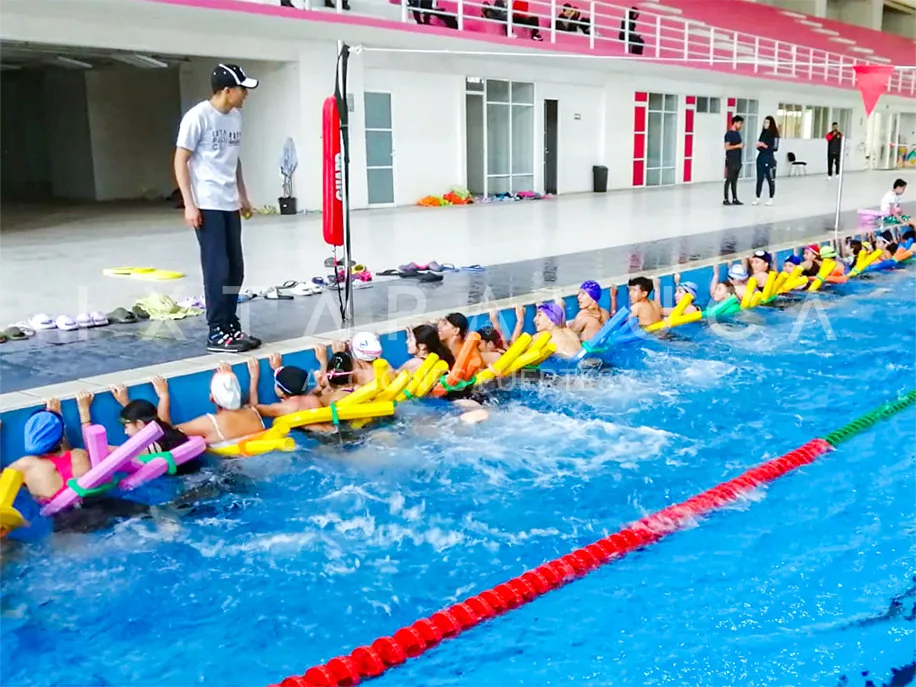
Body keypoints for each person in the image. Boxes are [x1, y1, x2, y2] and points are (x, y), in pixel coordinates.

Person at [174, 63, 261, 354]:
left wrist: (243, 195)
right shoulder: (198, 117)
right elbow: (180, 160)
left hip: (229, 203)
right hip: (207, 204)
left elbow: (233, 160)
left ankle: (230, 324)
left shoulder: (235, 118)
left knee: (235, 268)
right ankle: (217, 331)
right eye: (242, 89)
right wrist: (189, 204)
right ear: (227, 90)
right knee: (218, 269)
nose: (246, 95)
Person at [7, 400, 91, 503]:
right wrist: (83, 411)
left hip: (60, 517)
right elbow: (65, 459)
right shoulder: (80, 455)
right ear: (62, 437)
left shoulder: (25, 465)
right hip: (94, 508)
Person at [75, 379, 189, 455]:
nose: (125, 432)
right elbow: (163, 417)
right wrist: (126, 403)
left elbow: (95, 450)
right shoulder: (167, 431)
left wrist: (84, 411)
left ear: (140, 424)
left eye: (126, 426)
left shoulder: (144, 450)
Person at [178, 364, 265, 446]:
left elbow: (168, 432)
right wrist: (254, 379)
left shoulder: (209, 423)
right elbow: (252, 405)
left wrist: (164, 396)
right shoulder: (254, 413)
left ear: (212, 398)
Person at [247, 354, 322, 419]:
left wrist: (254, 378)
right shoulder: (314, 399)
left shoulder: (283, 408)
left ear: (280, 392)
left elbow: (252, 411)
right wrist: (278, 368)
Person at [513, 303, 582, 358]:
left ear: (551, 320)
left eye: (539, 315)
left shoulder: (546, 335)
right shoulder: (569, 331)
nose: (534, 319)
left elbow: (515, 350)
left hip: (569, 370)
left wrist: (520, 321)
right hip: (583, 363)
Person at [753, 116, 779, 206]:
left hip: (769, 159)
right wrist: (759, 145)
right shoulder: (763, 133)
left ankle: (771, 198)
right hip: (761, 158)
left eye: (767, 123)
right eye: (764, 122)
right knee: (759, 179)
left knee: (770, 179)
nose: (765, 124)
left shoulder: (775, 135)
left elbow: (775, 148)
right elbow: (760, 146)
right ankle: (757, 197)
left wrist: (765, 146)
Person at [723, 116, 744, 206]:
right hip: (731, 160)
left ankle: (735, 198)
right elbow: (726, 147)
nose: (741, 125)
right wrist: (737, 146)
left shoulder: (738, 134)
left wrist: (741, 146)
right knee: (729, 179)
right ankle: (726, 198)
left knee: (735, 180)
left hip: (738, 159)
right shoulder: (728, 134)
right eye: (740, 123)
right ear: (735, 123)